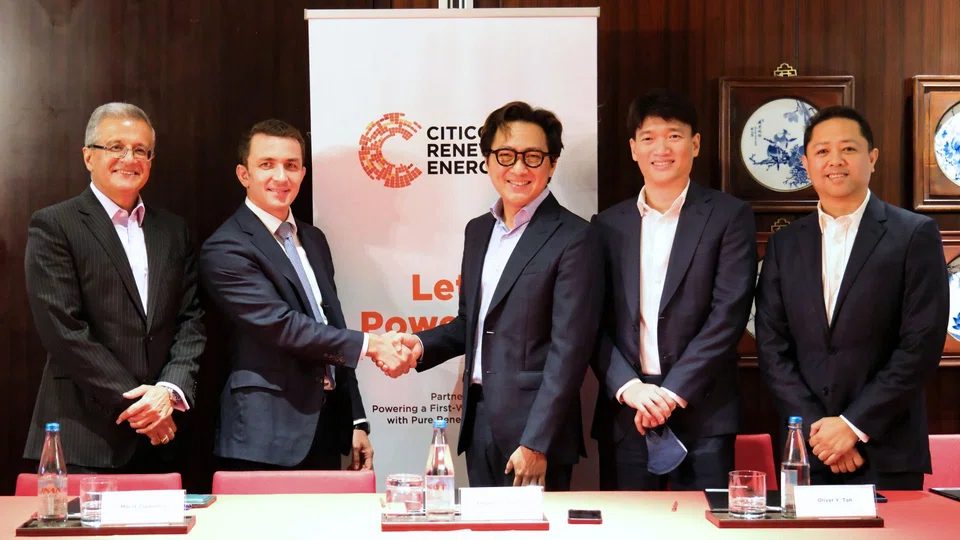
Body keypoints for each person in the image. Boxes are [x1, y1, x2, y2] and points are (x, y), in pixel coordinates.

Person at [395, 101, 602, 490]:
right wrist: (419, 345)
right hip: (479, 423)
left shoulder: (575, 238)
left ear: (552, 164)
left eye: (533, 156)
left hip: (534, 435)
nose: (519, 168)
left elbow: (569, 351)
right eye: (505, 155)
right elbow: (471, 323)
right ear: (488, 161)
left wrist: (537, 442)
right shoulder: (477, 231)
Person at [199, 119, 413, 471]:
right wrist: (372, 345)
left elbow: (333, 323)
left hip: (325, 428)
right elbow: (282, 327)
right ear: (243, 174)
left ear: (302, 173)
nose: (281, 176)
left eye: (291, 165)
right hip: (264, 438)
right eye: (267, 164)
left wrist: (355, 420)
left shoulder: (312, 240)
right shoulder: (226, 247)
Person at [755, 106, 948, 490]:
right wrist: (820, 434)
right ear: (806, 163)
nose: (835, 161)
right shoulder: (784, 244)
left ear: (872, 159)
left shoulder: (914, 234)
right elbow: (772, 347)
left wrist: (852, 426)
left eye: (849, 149)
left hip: (886, 448)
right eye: (823, 151)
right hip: (808, 452)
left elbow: (921, 345)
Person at [24, 103, 206, 473]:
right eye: (116, 147)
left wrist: (168, 392)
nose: (129, 158)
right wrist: (143, 409)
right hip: (85, 438)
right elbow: (64, 331)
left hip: (164, 440)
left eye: (141, 150)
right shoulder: (54, 225)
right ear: (88, 156)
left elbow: (192, 321)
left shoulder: (173, 230)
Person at [591, 89, 757, 491]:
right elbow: (590, 321)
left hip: (703, 411)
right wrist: (630, 388)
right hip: (627, 412)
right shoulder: (606, 226)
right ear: (633, 149)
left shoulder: (729, 216)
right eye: (648, 137)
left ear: (695, 144)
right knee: (627, 529)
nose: (661, 148)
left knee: (703, 528)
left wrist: (672, 391)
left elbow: (728, 314)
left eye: (674, 135)